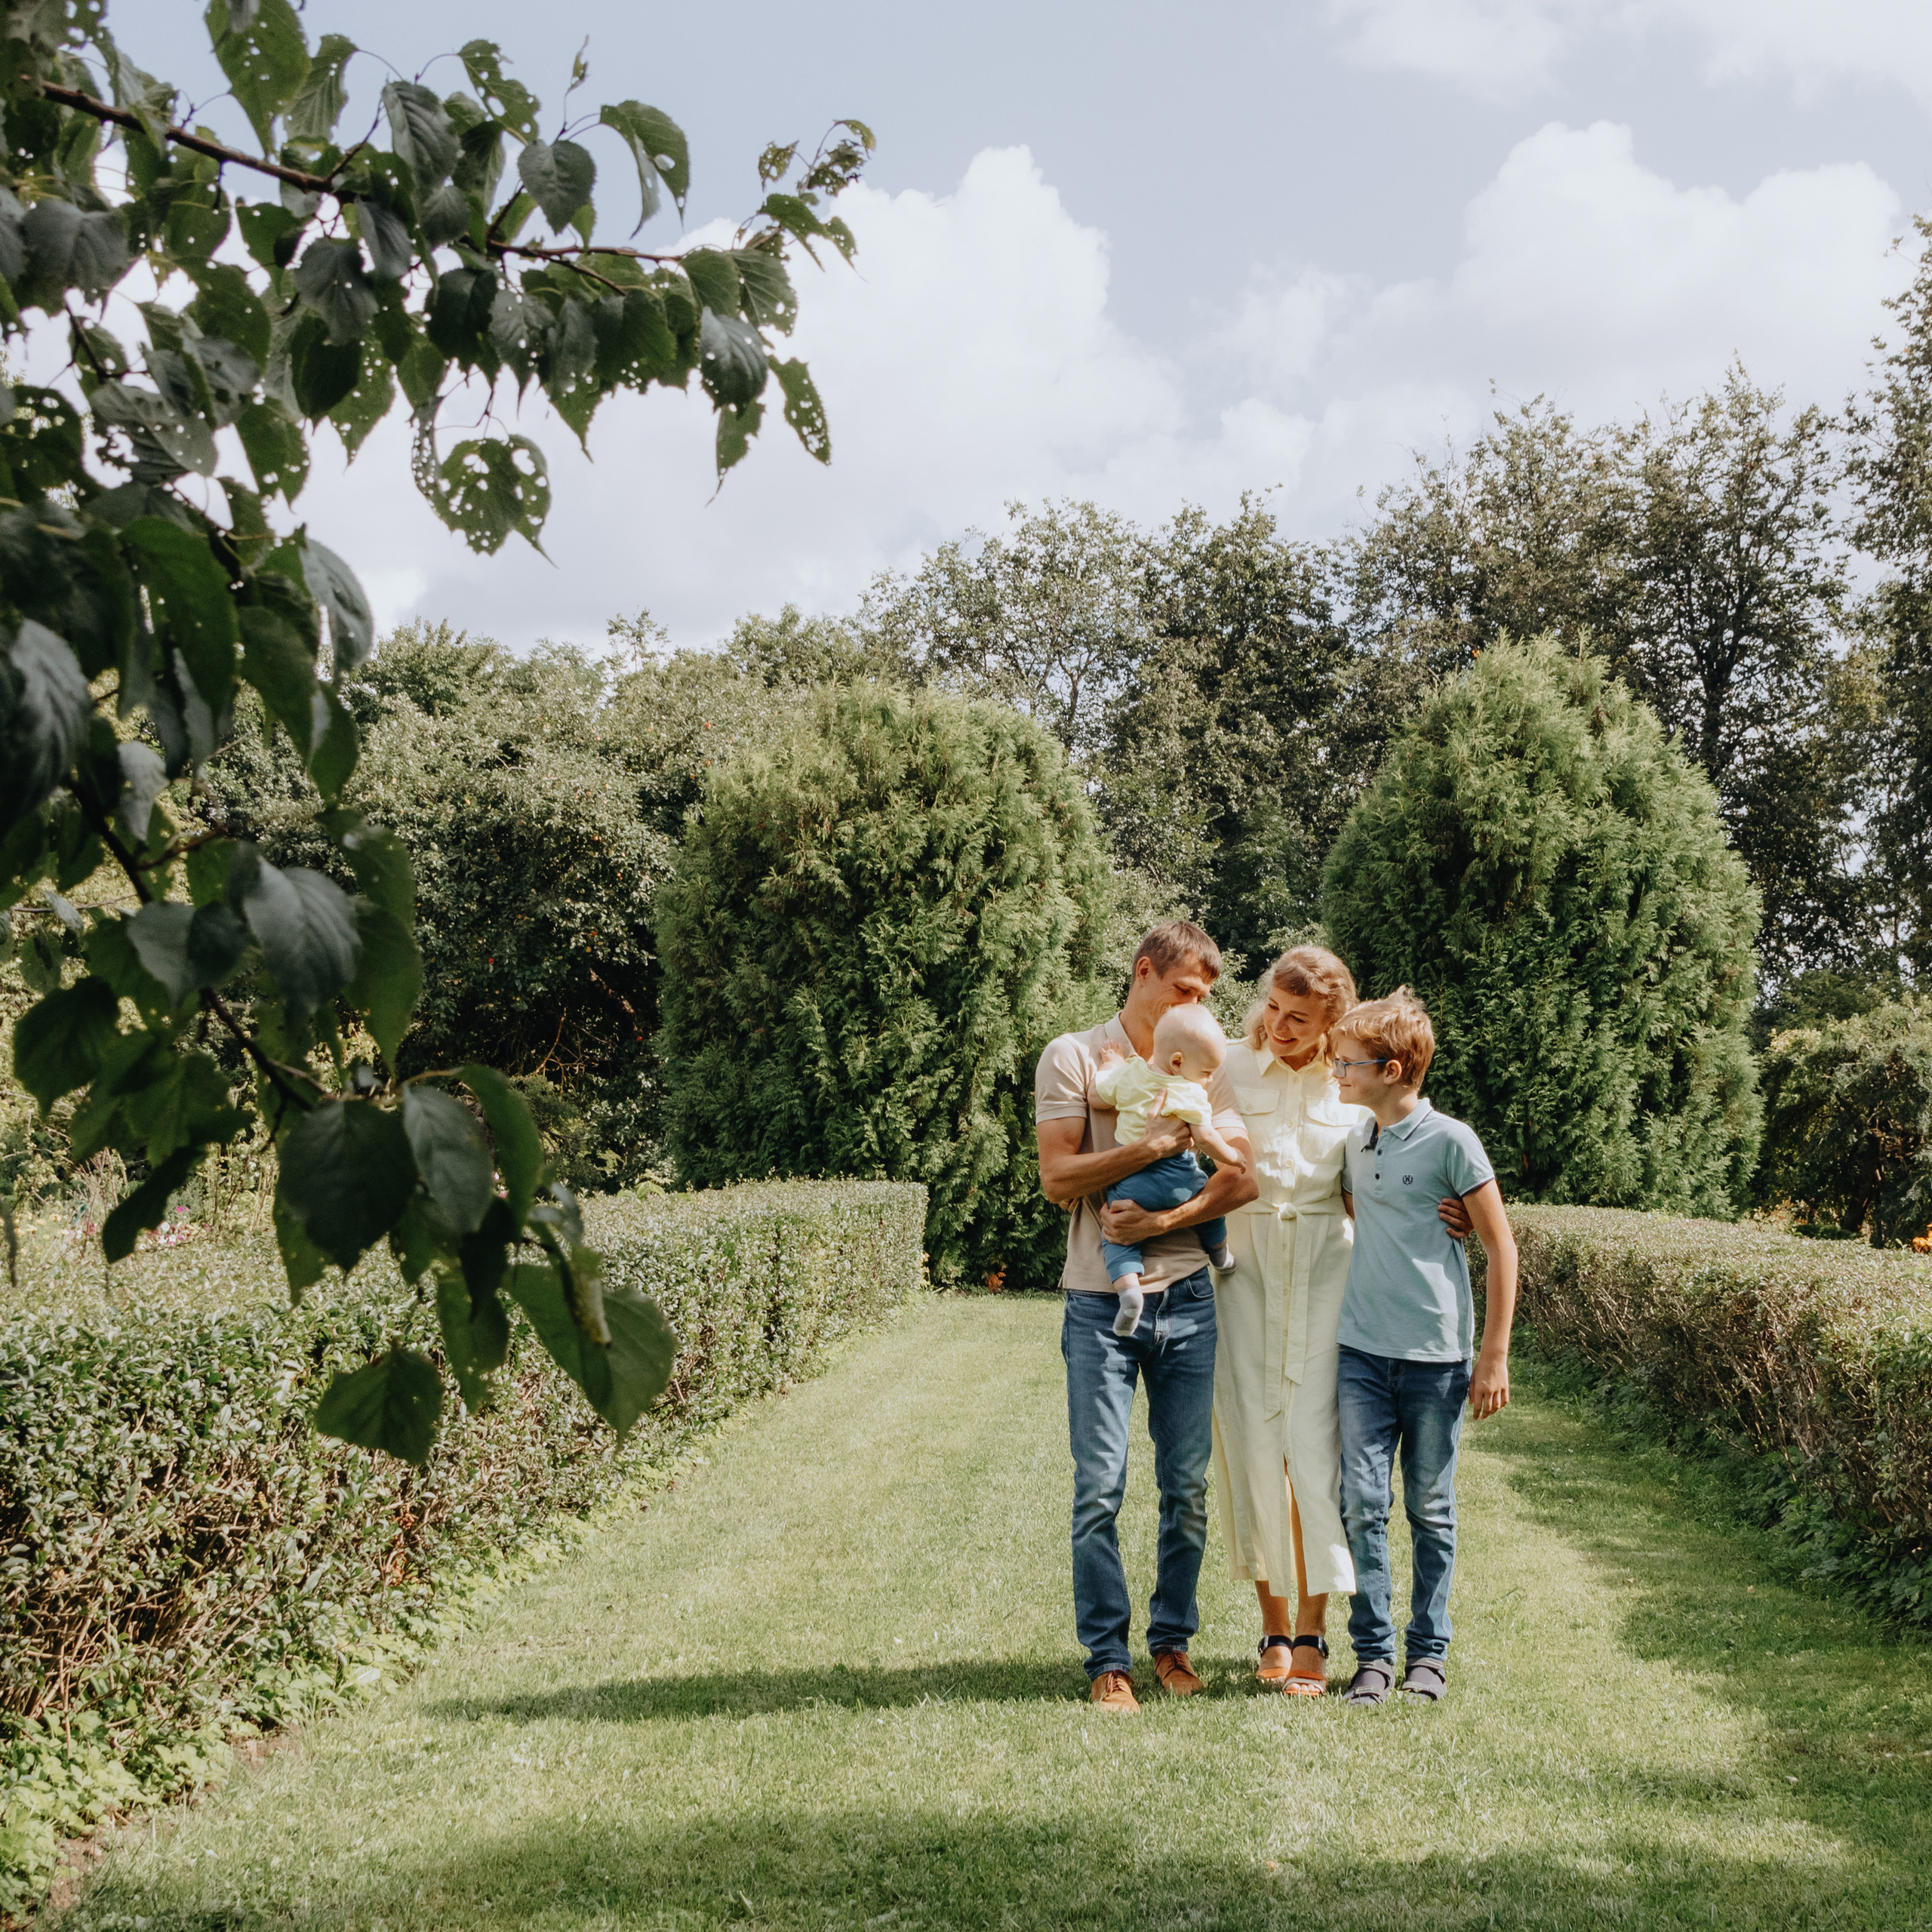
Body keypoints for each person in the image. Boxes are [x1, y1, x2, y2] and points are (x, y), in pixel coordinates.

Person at [1035, 921, 1258, 1712]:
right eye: (1186, 990)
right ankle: (1107, 1658)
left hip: (1191, 1297)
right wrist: (1155, 1144)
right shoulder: (1076, 1057)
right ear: (1142, 973)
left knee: (1185, 1487)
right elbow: (1059, 1176)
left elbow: (1241, 1179)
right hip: (1101, 1301)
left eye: (1206, 996)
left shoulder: (1206, 1058)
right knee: (1098, 1484)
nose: (1199, 1007)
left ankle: (1171, 1643)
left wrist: (1163, 1222)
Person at [1331, 986, 1518, 1709]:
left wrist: (1492, 1357)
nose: (1337, 1073)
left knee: (1430, 1510)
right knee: (1361, 1504)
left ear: (1395, 1068)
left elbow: (1502, 1247)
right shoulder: (1358, 1140)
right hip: (1360, 1353)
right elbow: (1364, 1212)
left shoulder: (1453, 1141)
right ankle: (1374, 1657)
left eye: (1348, 1064)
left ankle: (1428, 1657)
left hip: (1437, 1360)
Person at [1093, 1004, 1242, 1337]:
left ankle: (1129, 1292)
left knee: (1116, 1237)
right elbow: (1206, 1139)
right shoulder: (1191, 1092)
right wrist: (1232, 1156)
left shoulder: (1130, 1074)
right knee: (1208, 1203)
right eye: (1207, 1072)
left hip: (1131, 1185)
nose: (1210, 1079)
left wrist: (1111, 1064)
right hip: (1180, 1182)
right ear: (1178, 1062)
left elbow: (1096, 1095)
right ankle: (1219, 1254)